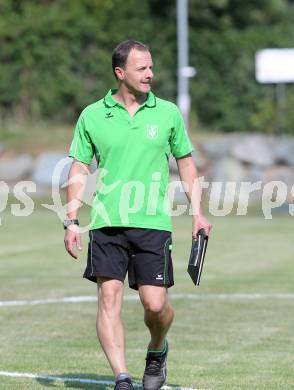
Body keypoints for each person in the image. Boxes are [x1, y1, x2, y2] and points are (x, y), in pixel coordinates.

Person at [64, 40, 212, 390]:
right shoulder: (93, 115)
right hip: (107, 223)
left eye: (151, 67)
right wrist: (71, 219)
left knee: (155, 305)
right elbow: (79, 168)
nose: (150, 74)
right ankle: (122, 377)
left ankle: (157, 349)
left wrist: (198, 213)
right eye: (142, 68)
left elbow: (187, 164)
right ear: (120, 73)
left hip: (153, 223)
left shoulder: (168, 113)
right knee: (109, 298)